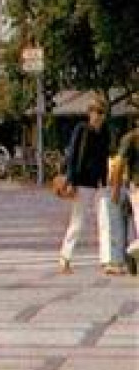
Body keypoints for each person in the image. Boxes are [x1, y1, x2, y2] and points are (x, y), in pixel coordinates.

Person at [58, 100, 113, 274]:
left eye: (102, 112)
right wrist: (72, 181)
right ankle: (65, 257)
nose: (99, 116)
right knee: (78, 221)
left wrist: (105, 182)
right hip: (82, 183)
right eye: (96, 112)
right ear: (90, 113)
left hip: (100, 184)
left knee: (105, 221)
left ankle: (106, 261)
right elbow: (73, 155)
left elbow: (105, 158)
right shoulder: (81, 130)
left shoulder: (104, 132)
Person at [111, 124, 139, 274]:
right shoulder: (130, 139)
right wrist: (115, 189)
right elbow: (118, 164)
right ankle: (129, 255)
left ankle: (131, 255)